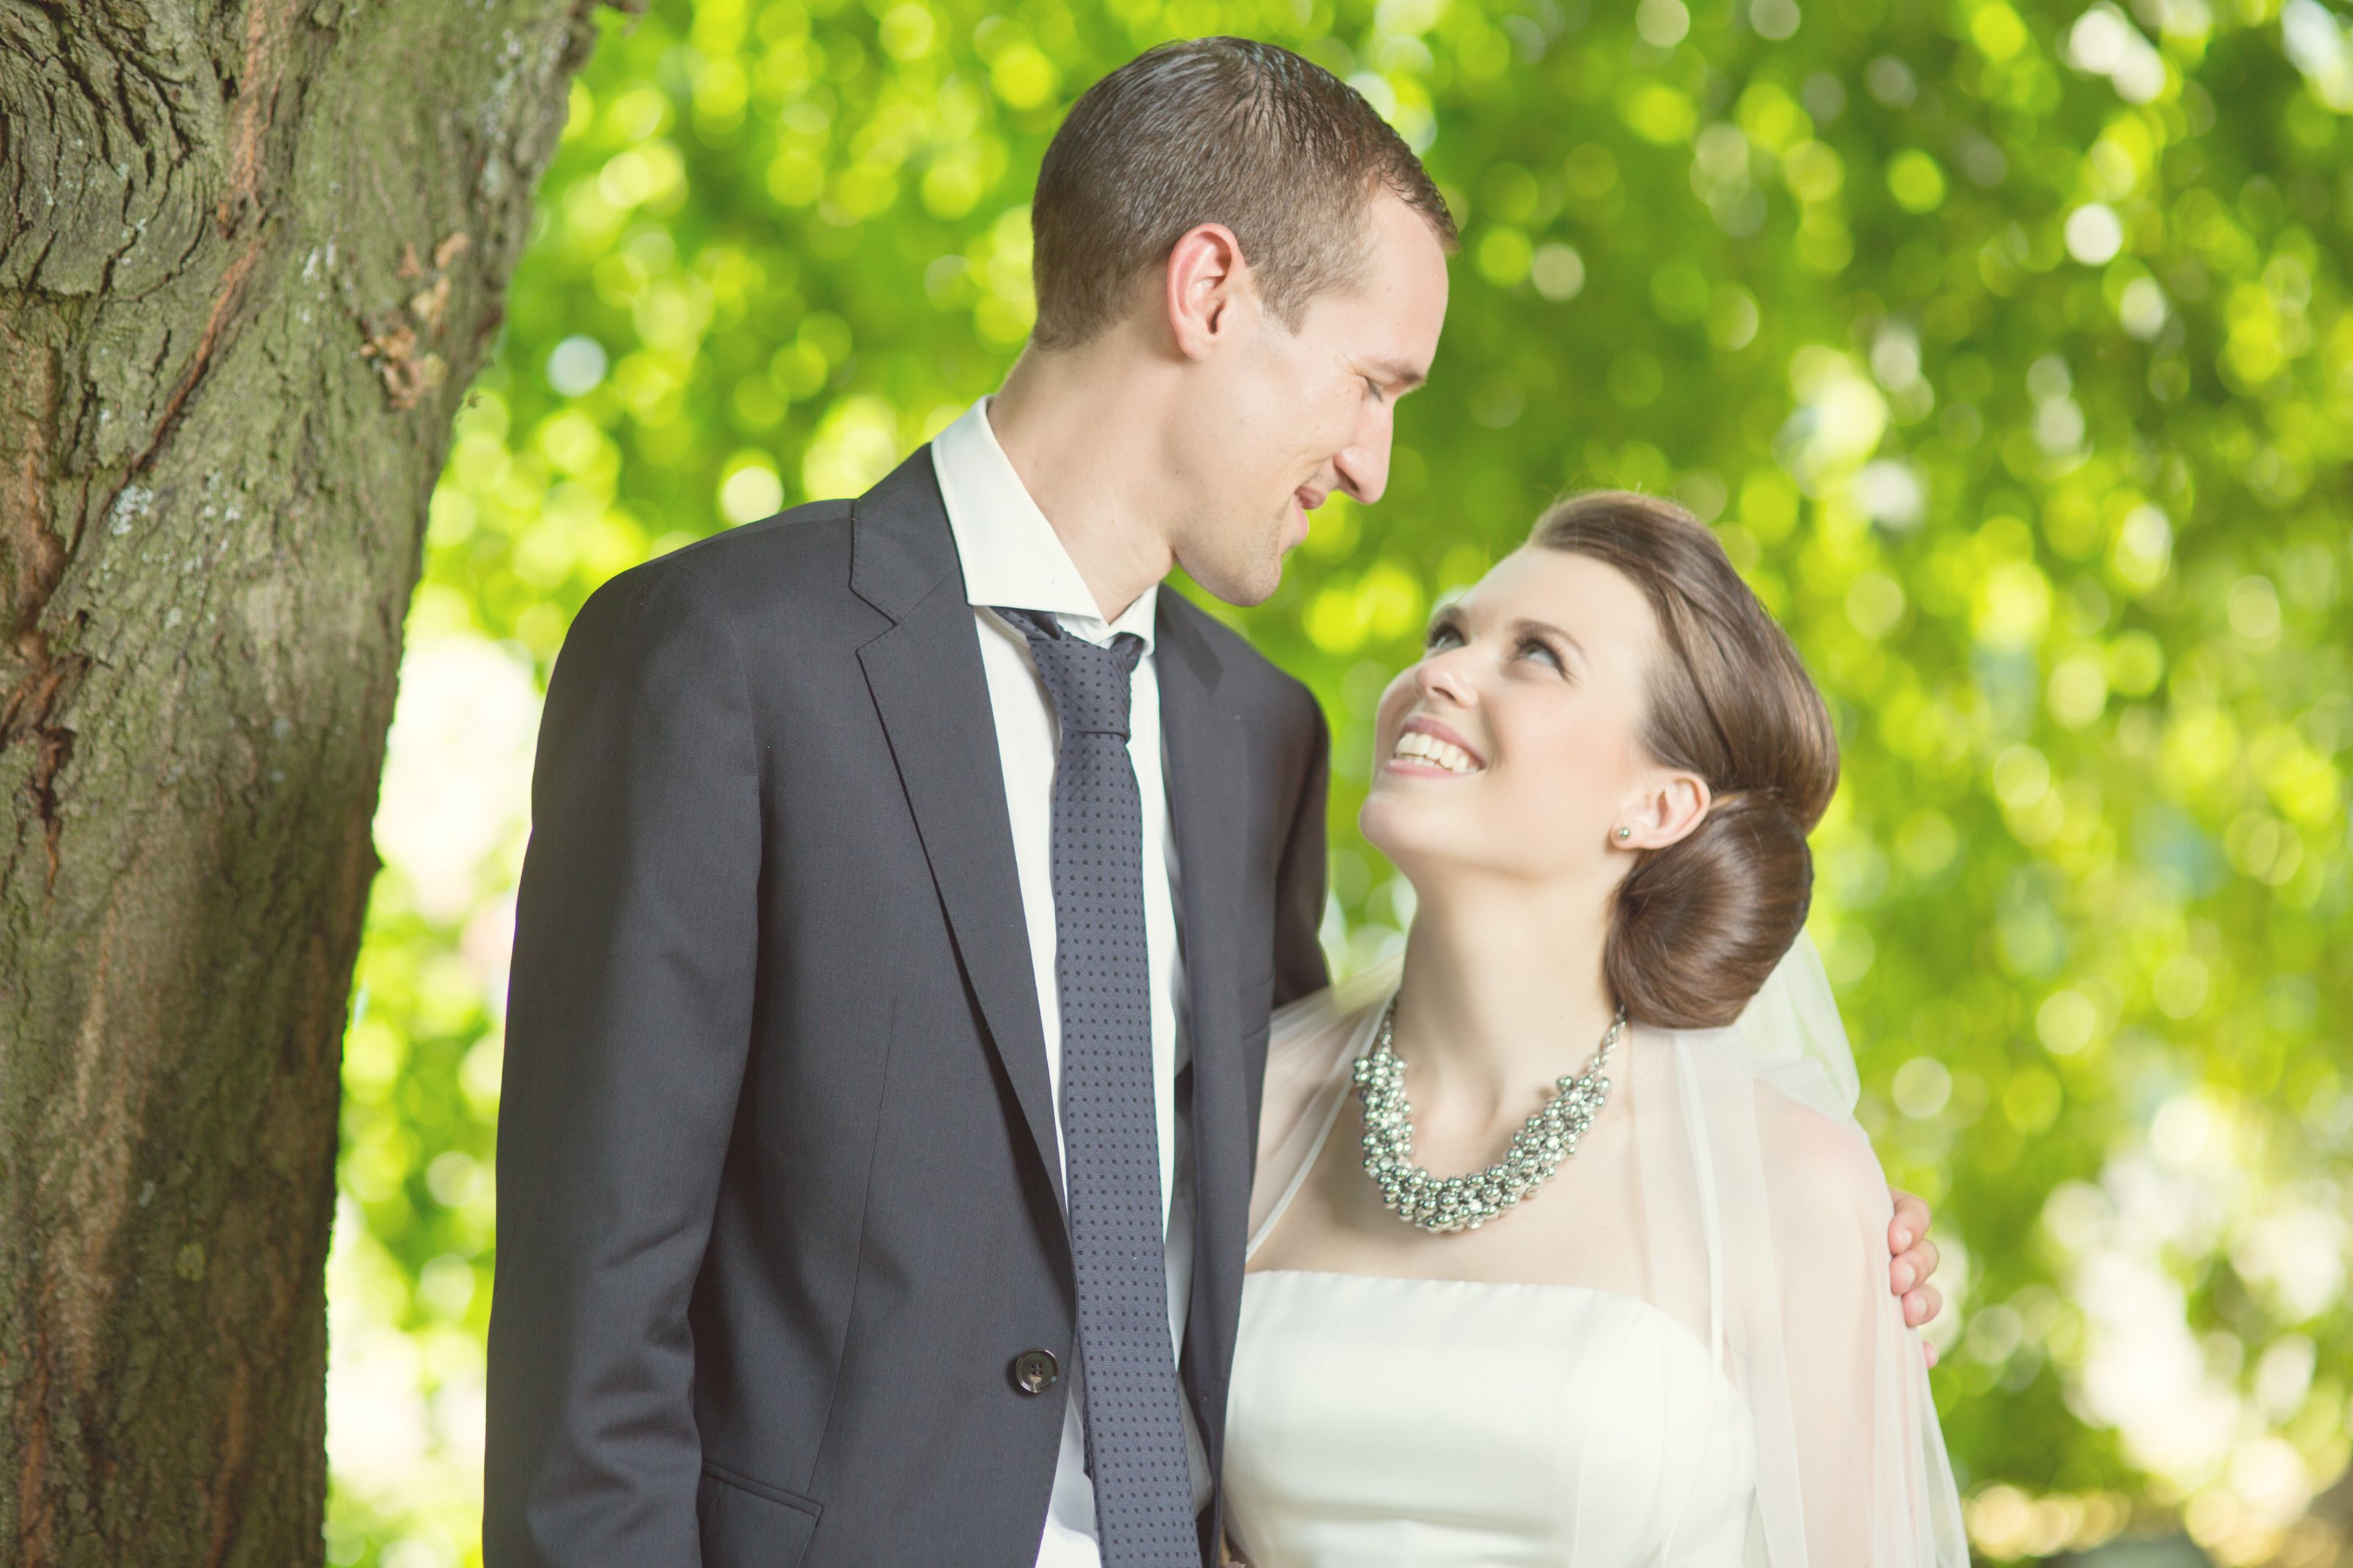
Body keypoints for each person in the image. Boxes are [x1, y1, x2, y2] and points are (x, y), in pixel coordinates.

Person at [483, 37, 1945, 1568]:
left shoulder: (1257, 738)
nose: (1373, 465)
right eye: (1371, 382)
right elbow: (594, 1344)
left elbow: (1274, 1262)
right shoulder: (719, 657)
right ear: (1210, 292)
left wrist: (1834, 1255)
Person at [1226, 491, 1967, 1565]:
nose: (1441, 672)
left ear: (1661, 805)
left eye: (1537, 655)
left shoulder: (1791, 1184)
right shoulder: (1242, 1114)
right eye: (1449, 632)